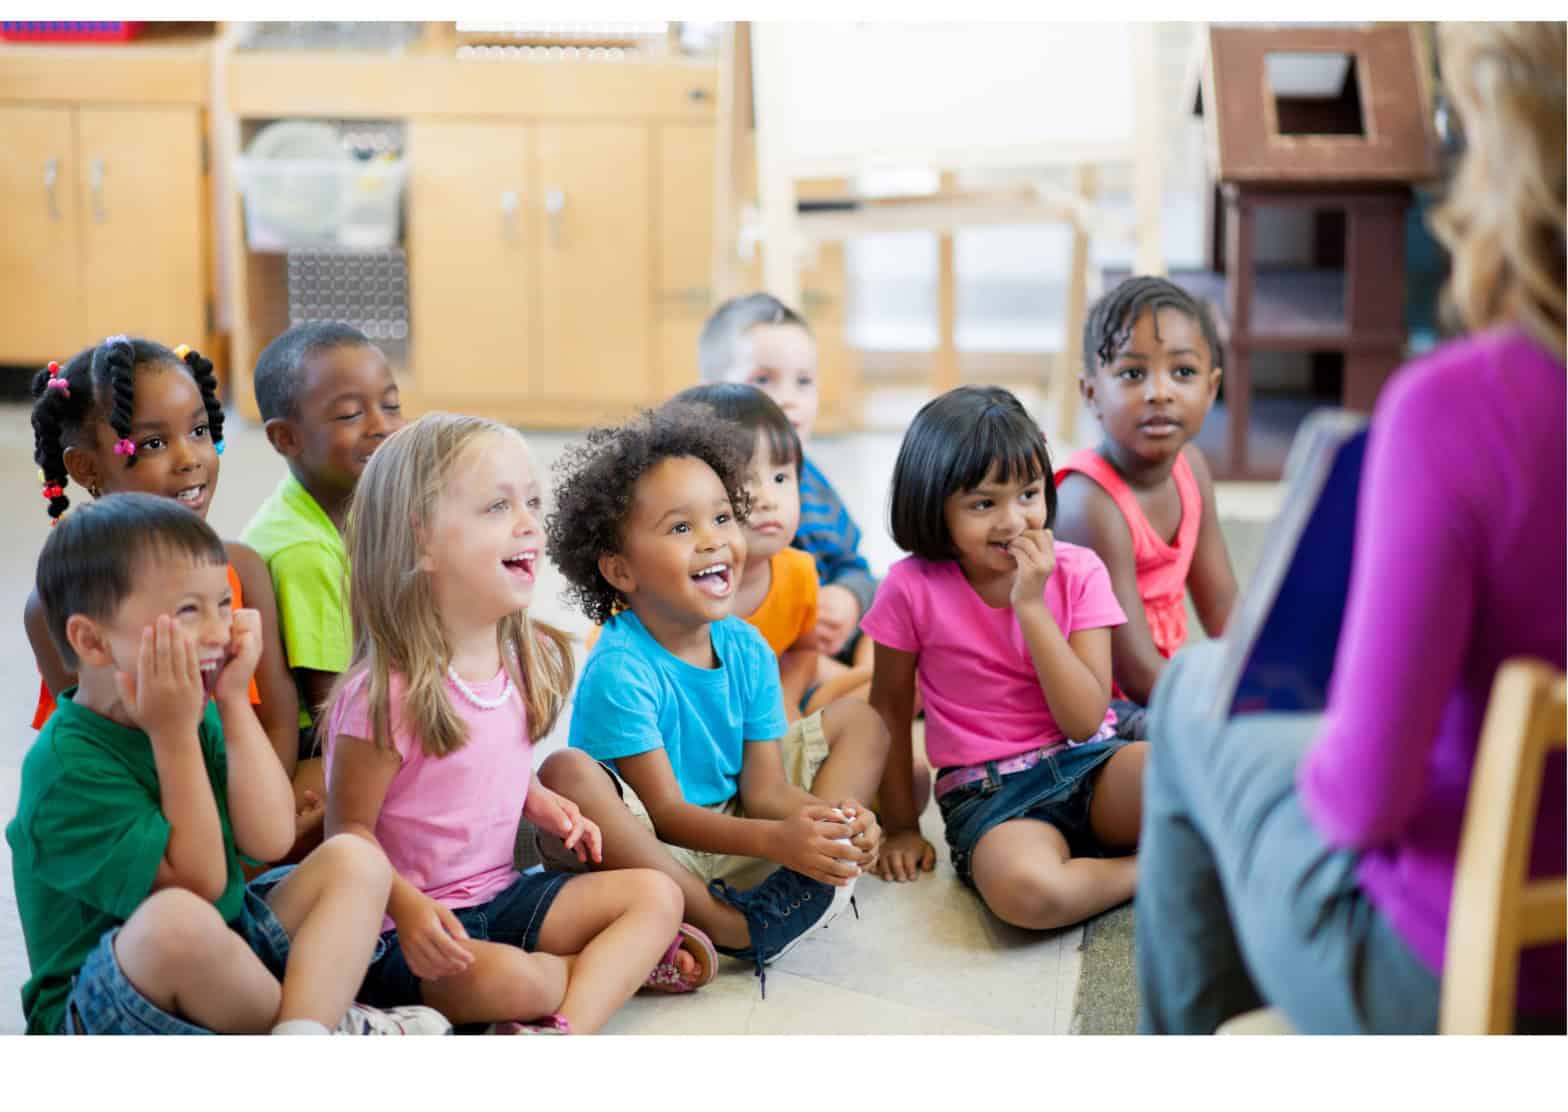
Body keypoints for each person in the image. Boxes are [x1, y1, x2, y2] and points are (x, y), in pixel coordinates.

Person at [1136, 20, 1566, 1034]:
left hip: (1463, 968)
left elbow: (1361, 799)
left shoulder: (1460, 410)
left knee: (1198, 689)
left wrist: (1328, 731)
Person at [322, 413, 710, 1035]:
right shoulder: (383, 694)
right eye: (498, 507)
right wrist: (412, 912)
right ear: (421, 540)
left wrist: (541, 801)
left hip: (500, 896)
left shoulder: (518, 660)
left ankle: (560, 1030)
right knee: (515, 980)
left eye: (530, 502)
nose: (529, 523)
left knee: (656, 895)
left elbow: (488, 765)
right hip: (405, 931)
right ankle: (601, 974)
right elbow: (346, 837)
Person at [6, 493, 449, 1035]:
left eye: (223, 604)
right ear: (92, 641)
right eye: (189, 611)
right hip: (101, 1010)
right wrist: (173, 737)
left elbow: (268, 838)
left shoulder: (196, 705)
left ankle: (305, 1032)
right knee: (176, 922)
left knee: (356, 859)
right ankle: (327, 1023)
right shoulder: (65, 769)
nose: (218, 631)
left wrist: (235, 702)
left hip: (225, 947)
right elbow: (198, 886)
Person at [536, 402, 889, 993]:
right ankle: (723, 924)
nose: (714, 542)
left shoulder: (745, 646)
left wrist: (828, 824)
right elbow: (669, 819)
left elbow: (765, 789)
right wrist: (778, 839)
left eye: (723, 518)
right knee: (566, 772)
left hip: (734, 827)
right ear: (621, 571)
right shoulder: (620, 667)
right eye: (681, 527)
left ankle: (815, 872)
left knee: (861, 721)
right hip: (657, 851)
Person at [862, 386, 1146, 935]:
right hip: (989, 795)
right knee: (1029, 895)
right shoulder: (908, 588)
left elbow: (1086, 720)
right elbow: (889, 713)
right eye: (983, 503)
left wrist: (1032, 608)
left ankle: (1113, 858)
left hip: (1090, 761)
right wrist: (900, 826)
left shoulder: (1079, 570)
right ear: (933, 506)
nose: (1013, 522)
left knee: (1184, 776)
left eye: (1029, 494)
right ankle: (1148, 870)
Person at [23, 335, 319, 856]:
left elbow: (277, 718)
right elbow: (114, 752)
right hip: (153, 819)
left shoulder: (243, 569)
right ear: (87, 469)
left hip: (249, 798)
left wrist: (258, 821)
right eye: (154, 444)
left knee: (346, 779)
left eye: (200, 430)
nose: (190, 459)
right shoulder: (58, 605)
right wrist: (219, 843)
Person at [1054, 276, 1238, 737]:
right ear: (1092, 393)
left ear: (1212, 388)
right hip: (1099, 709)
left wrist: (1265, 681)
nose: (1160, 392)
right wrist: (1221, 707)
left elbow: (1222, 606)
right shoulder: (1089, 502)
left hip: (1158, 687)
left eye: (1183, 373)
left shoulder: (1190, 468)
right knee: (1209, 742)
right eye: (1134, 374)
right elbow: (1133, 669)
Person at [242, 322, 406, 741]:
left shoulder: (341, 501)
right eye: (351, 414)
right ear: (286, 438)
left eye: (390, 406)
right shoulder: (303, 550)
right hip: (317, 743)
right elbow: (331, 712)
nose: (380, 426)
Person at [698, 293, 876, 671]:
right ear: (713, 393)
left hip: (827, 637)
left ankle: (870, 682)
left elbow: (854, 565)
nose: (788, 399)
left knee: (903, 606)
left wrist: (848, 598)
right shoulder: (703, 491)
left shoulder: (814, 482)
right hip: (767, 654)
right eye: (763, 379)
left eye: (804, 381)